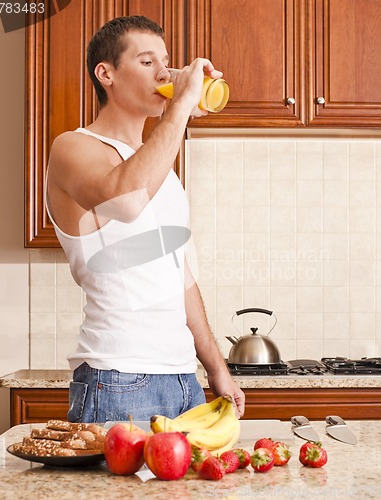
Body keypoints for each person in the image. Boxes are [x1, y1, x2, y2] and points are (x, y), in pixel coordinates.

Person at [46, 15, 245, 423]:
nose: (164, 72)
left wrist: (216, 369)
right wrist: (184, 105)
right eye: (146, 61)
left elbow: (181, 279)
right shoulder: (72, 148)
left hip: (182, 379)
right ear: (107, 74)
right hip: (117, 376)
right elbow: (128, 200)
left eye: (166, 62)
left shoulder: (165, 175)